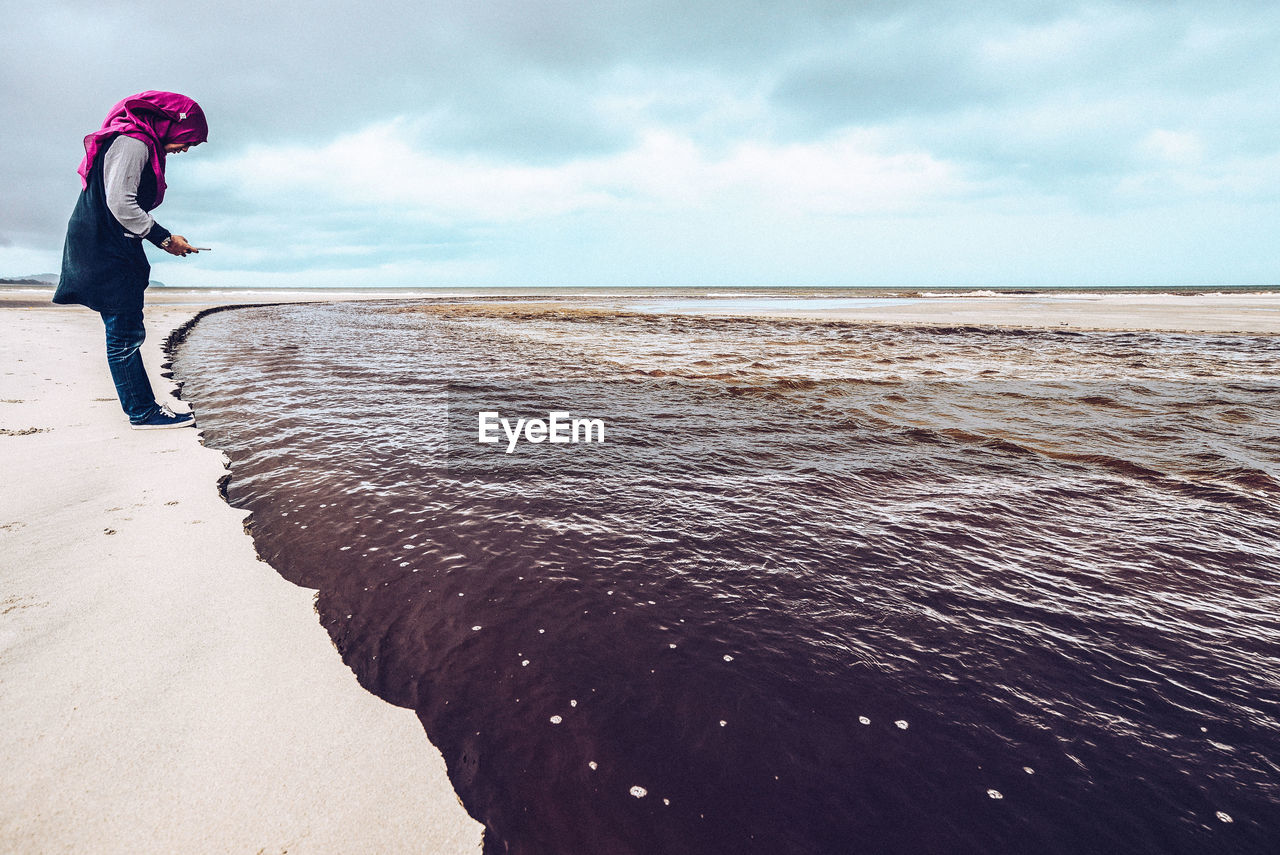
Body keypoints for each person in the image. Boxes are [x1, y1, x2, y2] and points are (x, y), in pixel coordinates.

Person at [53, 91, 209, 429]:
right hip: (104, 247)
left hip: (105, 242)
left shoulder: (133, 140)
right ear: (170, 124)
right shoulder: (133, 142)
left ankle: (142, 407)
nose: (186, 149)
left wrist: (163, 239)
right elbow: (121, 204)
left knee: (123, 330)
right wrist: (165, 239)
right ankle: (142, 412)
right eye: (188, 140)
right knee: (124, 334)